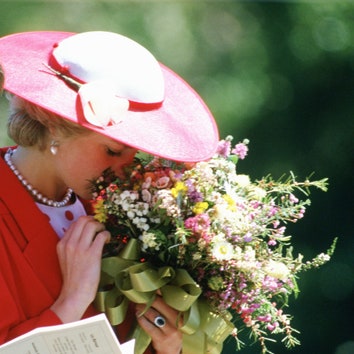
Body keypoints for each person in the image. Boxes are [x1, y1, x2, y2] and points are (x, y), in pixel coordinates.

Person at [0, 31, 219, 353]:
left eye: (136, 154)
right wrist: (71, 303)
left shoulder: (128, 215)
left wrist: (168, 346)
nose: (129, 171)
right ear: (53, 124)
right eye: (113, 152)